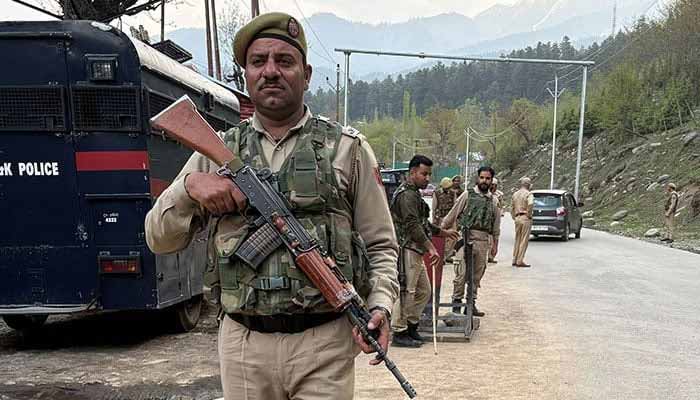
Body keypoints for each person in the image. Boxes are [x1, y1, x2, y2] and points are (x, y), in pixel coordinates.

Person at [144, 12, 399, 400]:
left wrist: (381, 303)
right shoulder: (217, 151)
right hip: (245, 344)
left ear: (307, 73)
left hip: (325, 341)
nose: (271, 71)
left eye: (285, 61)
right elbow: (157, 238)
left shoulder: (348, 149)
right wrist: (190, 188)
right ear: (245, 73)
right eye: (258, 61)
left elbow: (381, 245)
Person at [390, 155, 458, 348]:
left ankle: (411, 326)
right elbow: (412, 225)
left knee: (423, 291)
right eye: (424, 174)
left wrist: (442, 232)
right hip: (406, 248)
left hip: (415, 249)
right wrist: (431, 247)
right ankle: (399, 331)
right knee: (406, 291)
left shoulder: (414, 193)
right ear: (412, 173)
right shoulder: (406, 195)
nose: (427, 178)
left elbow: (421, 223)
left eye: (429, 174)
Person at [440, 166, 500, 317]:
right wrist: (440, 231)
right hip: (465, 239)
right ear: (477, 178)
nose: (484, 181)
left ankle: (470, 305)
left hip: (483, 242)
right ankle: (456, 307)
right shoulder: (467, 195)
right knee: (461, 275)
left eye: (487, 178)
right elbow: (453, 213)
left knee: (476, 277)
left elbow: (495, 226)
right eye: (482, 178)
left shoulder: (494, 201)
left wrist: (494, 247)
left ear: (491, 180)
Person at [511, 177, 534, 268]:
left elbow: (512, 206)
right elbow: (531, 204)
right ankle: (520, 260)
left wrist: (514, 216)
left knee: (517, 239)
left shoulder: (515, 194)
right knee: (524, 240)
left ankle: (514, 259)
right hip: (525, 218)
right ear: (528, 184)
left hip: (517, 217)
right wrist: (529, 214)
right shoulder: (529, 194)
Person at [488, 178, 505, 263]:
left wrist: (500, 212)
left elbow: (501, 205)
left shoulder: (498, 195)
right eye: (492, 185)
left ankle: (491, 256)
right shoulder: (485, 194)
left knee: (494, 236)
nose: (493, 187)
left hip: (495, 217)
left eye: (495, 185)